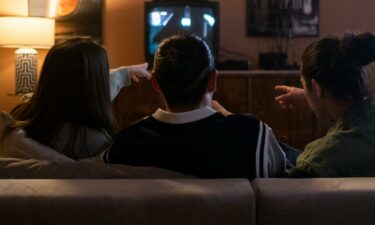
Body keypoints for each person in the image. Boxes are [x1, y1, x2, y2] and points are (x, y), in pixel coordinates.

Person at [104, 34, 286, 179]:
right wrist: (229, 117)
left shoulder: (125, 143)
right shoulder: (253, 136)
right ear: (213, 80)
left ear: (155, 84)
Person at [0, 38, 150, 160]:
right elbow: (90, 95)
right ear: (96, 86)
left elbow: (76, 90)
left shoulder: (21, 115)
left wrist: (123, 73)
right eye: (103, 75)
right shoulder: (92, 142)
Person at [275, 32, 375, 177]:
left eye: (304, 85)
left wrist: (315, 97)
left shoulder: (318, 161)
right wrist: (310, 95)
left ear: (316, 87)